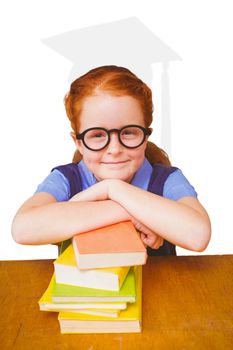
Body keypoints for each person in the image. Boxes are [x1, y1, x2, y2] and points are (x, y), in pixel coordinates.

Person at [11, 65, 211, 255]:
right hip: (82, 290)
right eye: (97, 135)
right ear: (78, 142)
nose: (114, 149)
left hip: (158, 288)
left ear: (145, 136)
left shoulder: (167, 179)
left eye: (129, 133)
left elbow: (198, 236)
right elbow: (22, 229)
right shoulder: (66, 178)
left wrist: (111, 189)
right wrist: (128, 212)